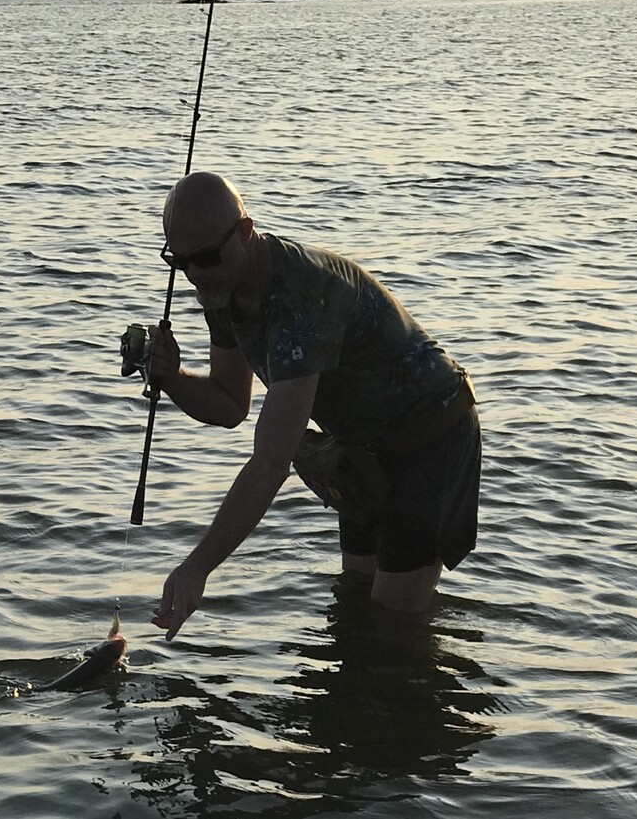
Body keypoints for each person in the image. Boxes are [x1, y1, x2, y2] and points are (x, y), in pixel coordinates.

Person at [145, 172, 480, 640]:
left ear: (245, 232)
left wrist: (196, 568)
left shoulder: (302, 298)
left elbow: (270, 462)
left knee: (391, 624)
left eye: (204, 258)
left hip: (430, 433)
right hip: (361, 447)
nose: (194, 274)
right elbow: (228, 405)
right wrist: (171, 378)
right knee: (354, 599)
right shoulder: (220, 285)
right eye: (178, 262)